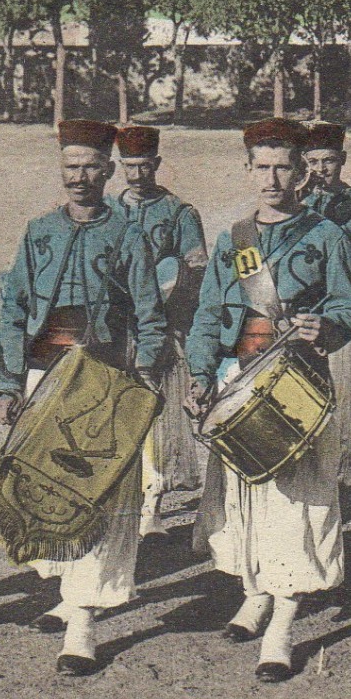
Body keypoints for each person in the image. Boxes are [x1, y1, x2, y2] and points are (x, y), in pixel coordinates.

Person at [185, 118, 351, 683]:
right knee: (245, 498)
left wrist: (326, 326)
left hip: (299, 383)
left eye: (283, 166)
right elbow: (209, 314)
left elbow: (347, 306)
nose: (272, 178)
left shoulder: (325, 236)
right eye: (261, 166)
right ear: (248, 169)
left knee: (294, 503)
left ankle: (284, 624)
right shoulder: (234, 239)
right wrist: (199, 374)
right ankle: (255, 592)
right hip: (240, 379)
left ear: (301, 171)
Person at [0, 119, 167, 675]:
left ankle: (84, 623)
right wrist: (7, 382)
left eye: (91, 166)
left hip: (105, 382)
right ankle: (70, 594)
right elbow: (13, 310)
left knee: (99, 495)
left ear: (109, 171)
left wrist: (144, 374)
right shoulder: (38, 231)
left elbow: (149, 316)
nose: (80, 177)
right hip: (45, 377)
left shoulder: (128, 235)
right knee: (48, 487)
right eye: (71, 167)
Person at [111, 125, 209, 535]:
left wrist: (171, 317)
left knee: (157, 415)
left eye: (144, 166)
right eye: (129, 167)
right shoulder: (108, 210)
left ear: (157, 164)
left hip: (162, 325)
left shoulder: (178, 213)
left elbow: (195, 268)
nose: (137, 175)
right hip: (117, 329)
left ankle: (152, 505)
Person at [300, 122, 351, 488]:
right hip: (303, 309)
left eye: (329, 160)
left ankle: (347, 472)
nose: (321, 169)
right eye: (313, 160)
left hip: (346, 307)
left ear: (343, 160)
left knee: (345, 384)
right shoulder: (296, 199)